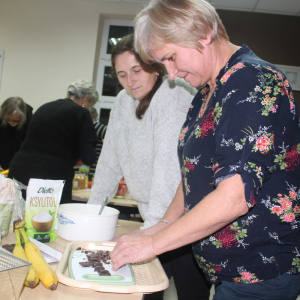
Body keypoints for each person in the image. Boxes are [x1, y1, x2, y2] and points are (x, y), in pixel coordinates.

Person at [110, 1, 300, 300]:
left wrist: (152, 246)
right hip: (228, 272)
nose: (171, 75)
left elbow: (234, 197)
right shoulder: (206, 93)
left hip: (260, 272)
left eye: (171, 58)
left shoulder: (252, 82)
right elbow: (193, 175)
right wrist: (159, 226)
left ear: (202, 33)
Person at [88, 34, 211, 300]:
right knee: (146, 291)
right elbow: (110, 160)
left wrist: (150, 232)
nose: (130, 81)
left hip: (184, 220)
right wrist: (92, 215)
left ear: (155, 67)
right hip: (153, 219)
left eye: (136, 70)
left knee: (191, 293)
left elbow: (168, 171)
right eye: (121, 75)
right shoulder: (122, 101)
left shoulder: (173, 94)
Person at [8, 79, 98, 204]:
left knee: (18, 217)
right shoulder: (81, 112)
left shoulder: (45, 107)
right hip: (51, 176)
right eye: (90, 105)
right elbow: (89, 157)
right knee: (51, 219)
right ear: (85, 99)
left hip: (20, 169)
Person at [0, 97, 33, 170]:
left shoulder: (31, 125)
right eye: (7, 120)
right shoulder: (1, 121)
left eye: (15, 121)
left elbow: (31, 150)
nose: (11, 123)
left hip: (23, 165)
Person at [88, 107, 107, 178]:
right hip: (91, 168)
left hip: (77, 167)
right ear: (94, 117)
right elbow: (110, 133)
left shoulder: (77, 126)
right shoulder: (92, 125)